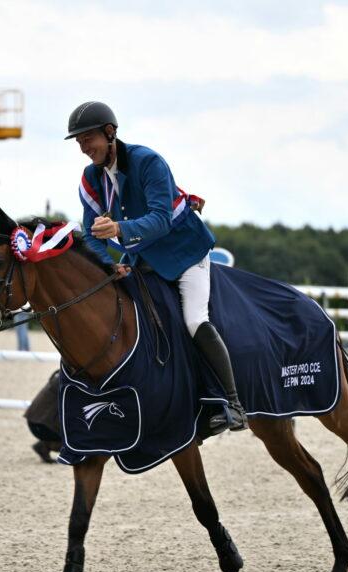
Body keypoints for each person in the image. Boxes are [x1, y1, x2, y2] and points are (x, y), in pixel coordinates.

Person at [66, 101, 246, 432]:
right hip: (142, 261)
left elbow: (161, 219)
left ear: (110, 133)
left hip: (185, 254)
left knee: (194, 320)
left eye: (87, 139)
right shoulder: (91, 179)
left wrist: (119, 230)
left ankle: (233, 403)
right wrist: (108, 266)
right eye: (78, 142)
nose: (83, 148)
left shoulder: (148, 162)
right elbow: (92, 237)